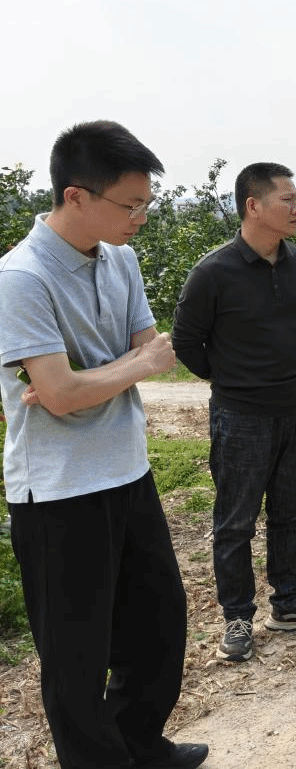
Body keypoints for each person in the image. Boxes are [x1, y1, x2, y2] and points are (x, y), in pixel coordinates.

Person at [0, 121, 208, 768]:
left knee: (159, 627)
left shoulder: (121, 258)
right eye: (130, 205)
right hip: (58, 489)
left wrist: (87, 381)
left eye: (146, 203)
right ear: (76, 196)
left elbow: (152, 349)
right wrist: (114, 373)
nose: (141, 218)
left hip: (127, 468)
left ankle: (139, 747)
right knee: (77, 657)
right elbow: (70, 391)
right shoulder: (21, 278)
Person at [172, 163, 296, 664]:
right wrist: (232, 379)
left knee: (292, 513)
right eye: (288, 200)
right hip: (241, 417)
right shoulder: (212, 272)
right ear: (253, 205)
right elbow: (187, 342)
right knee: (236, 522)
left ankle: (288, 603)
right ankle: (237, 618)